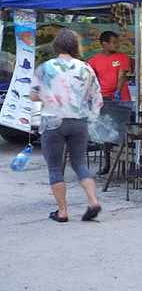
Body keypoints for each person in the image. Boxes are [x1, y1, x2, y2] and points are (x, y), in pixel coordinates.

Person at [30, 29, 104, 222]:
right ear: (75, 46)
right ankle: (93, 200)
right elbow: (96, 96)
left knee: (54, 167)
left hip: (53, 121)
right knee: (79, 163)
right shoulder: (86, 68)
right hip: (78, 121)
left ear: (56, 46)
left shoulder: (45, 68)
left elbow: (33, 95)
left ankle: (62, 211)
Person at [87, 30, 132, 174]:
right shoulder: (94, 61)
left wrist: (118, 91)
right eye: (114, 42)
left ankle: (126, 165)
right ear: (104, 44)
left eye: (117, 42)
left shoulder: (123, 57)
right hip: (104, 99)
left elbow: (121, 76)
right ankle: (107, 164)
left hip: (122, 99)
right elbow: (90, 79)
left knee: (123, 131)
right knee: (106, 132)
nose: (116, 45)